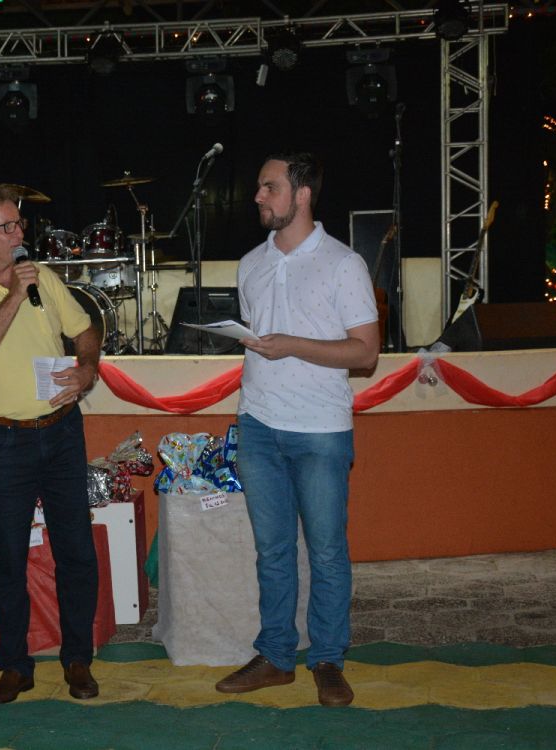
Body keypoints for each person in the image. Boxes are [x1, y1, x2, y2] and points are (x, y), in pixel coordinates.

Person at [216, 152, 379, 707]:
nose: (258, 196)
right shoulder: (250, 264)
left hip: (320, 429)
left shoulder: (343, 264)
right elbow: (259, 338)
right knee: (273, 551)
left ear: (302, 194)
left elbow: (366, 353)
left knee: (328, 551)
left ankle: (328, 660)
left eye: (270, 187)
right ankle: (276, 657)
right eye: (260, 188)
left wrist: (292, 345)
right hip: (259, 423)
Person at [0, 184, 102, 704]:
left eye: (19, 224)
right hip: (2, 440)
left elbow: (86, 329)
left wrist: (88, 368)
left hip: (61, 431)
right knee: (8, 557)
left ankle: (78, 659)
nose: (19, 234)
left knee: (76, 550)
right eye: (7, 226)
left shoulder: (43, 277)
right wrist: (13, 294)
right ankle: (14, 665)